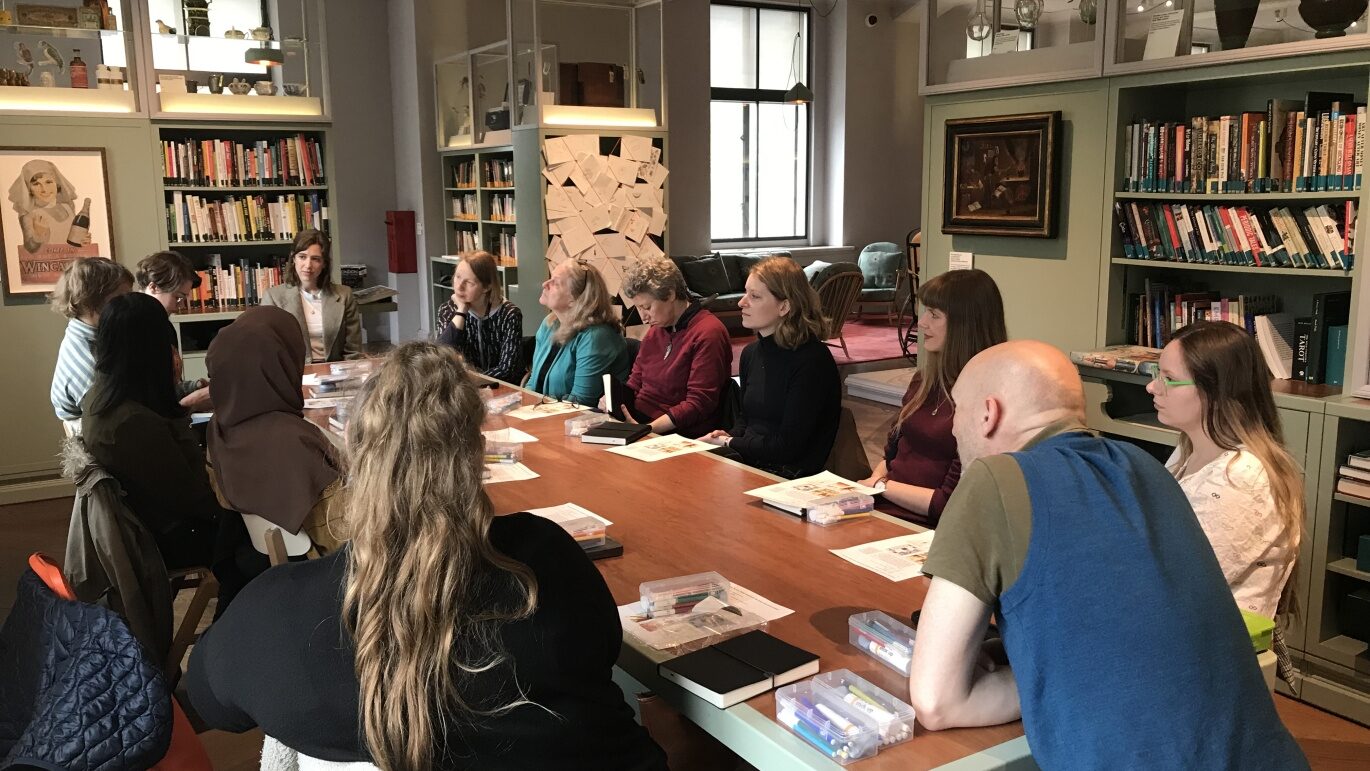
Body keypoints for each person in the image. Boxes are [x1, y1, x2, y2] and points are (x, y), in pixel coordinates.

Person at [186, 342, 668, 770]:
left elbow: (209, 701)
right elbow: (602, 651)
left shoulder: (275, 614)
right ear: (477, 456)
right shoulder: (547, 559)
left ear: (351, 454)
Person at [908, 340, 1307, 769]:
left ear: (989, 413)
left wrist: (1037, 676)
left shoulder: (993, 478)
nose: (952, 429)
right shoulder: (1146, 468)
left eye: (958, 410)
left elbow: (935, 702)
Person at [80, 293, 242, 597]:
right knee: (260, 534)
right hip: (168, 539)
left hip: (154, 523)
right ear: (151, 348)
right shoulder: (131, 423)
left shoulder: (101, 397)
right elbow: (195, 496)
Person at [1149, 321, 1303, 620]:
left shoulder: (1242, 478)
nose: (1153, 386)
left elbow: (1179, 582)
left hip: (1209, 646)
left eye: (1168, 378)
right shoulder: (1188, 449)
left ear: (1217, 391)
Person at [859, 268, 1006, 526]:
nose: (922, 322)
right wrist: (874, 484)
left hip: (929, 527)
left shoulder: (986, 402)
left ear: (964, 326)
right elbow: (891, 455)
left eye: (934, 315)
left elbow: (946, 503)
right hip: (885, 506)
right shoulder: (924, 381)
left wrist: (880, 485)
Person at [206, 306, 346, 552]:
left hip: (255, 567)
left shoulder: (219, 428)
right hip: (324, 573)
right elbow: (342, 535)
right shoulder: (295, 443)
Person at [702, 256, 840, 478]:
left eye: (754, 296)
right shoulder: (751, 354)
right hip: (751, 463)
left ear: (784, 306)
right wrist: (729, 434)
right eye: (746, 292)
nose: (741, 302)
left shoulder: (812, 361)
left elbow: (788, 447)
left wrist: (729, 441)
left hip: (790, 476)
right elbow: (747, 421)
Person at [601, 255, 731, 438]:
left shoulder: (708, 332)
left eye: (647, 306)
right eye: (638, 308)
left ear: (670, 294)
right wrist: (613, 399)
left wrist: (646, 430)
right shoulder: (657, 330)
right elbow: (635, 381)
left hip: (676, 433)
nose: (643, 317)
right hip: (642, 423)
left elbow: (699, 404)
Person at [530, 258, 630, 406]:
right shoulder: (549, 324)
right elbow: (533, 383)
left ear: (574, 299)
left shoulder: (596, 336)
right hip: (548, 415)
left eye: (555, 283)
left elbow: (581, 401)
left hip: (581, 421)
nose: (545, 284)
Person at [49, 257, 133, 424]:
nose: (129, 305)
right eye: (120, 300)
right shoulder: (89, 363)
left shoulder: (93, 333)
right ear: (90, 301)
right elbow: (113, 425)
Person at [261, 229, 362, 363]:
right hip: (293, 376)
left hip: (336, 374)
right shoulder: (273, 298)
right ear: (293, 259)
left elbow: (353, 351)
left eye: (315, 259)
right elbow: (268, 349)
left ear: (324, 263)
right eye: (302, 257)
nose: (308, 265)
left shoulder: (344, 295)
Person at [135, 250, 212, 412]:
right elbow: (146, 403)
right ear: (153, 287)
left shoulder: (165, 325)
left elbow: (166, 387)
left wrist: (193, 386)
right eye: (177, 297)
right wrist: (193, 402)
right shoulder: (133, 330)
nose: (181, 305)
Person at [436, 250, 525, 383]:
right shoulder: (447, 309)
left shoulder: (509, 314)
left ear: (486, 287)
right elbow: (442, 357)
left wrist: (471, 380)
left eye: (469, 283)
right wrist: (461, 312)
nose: (459, 286)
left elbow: (507, 369)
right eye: (457, 277)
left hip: (503, 388)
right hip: (464, 389)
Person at [8, 159, 88, 253]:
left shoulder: (67, 207)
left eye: (48, 182)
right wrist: (39, 234)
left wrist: (82, 242)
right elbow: (30, 249)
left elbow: (72, 241)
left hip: (71, 262)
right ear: (29, 189)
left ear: (57, 183)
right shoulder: (29, 213)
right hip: (48, 265)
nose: (44, 189)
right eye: (36, 184)